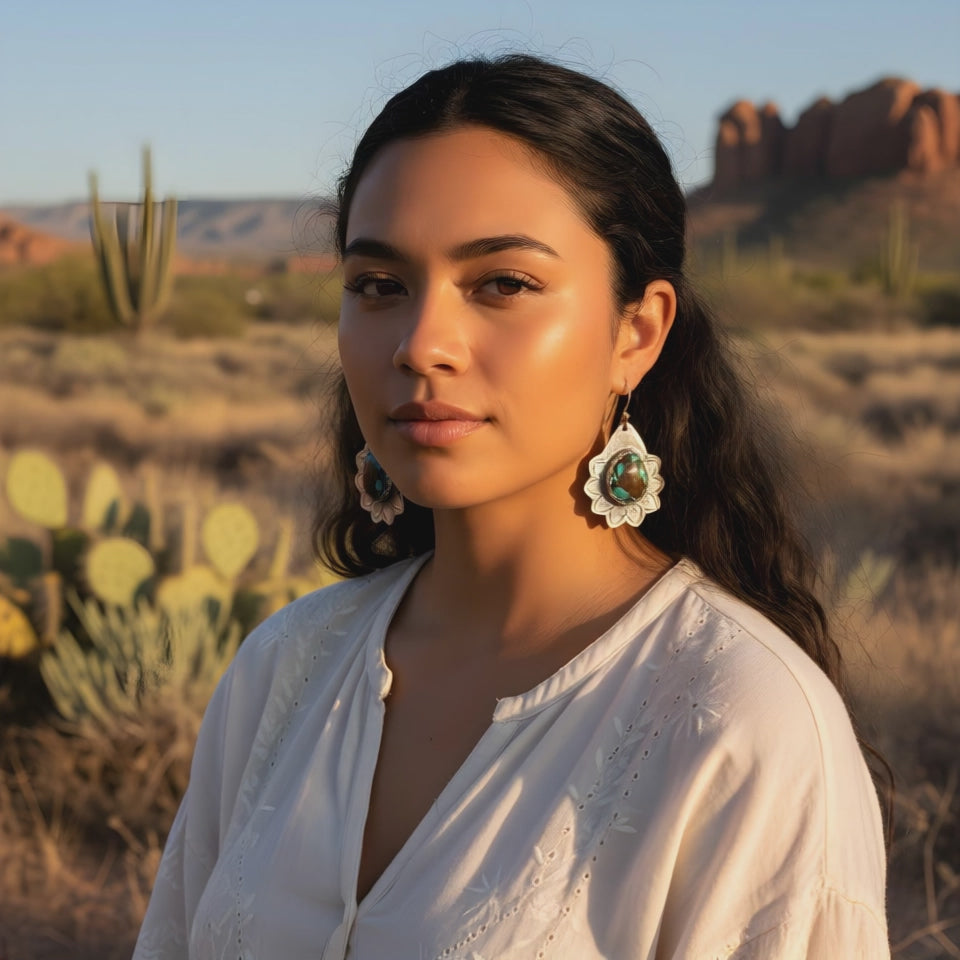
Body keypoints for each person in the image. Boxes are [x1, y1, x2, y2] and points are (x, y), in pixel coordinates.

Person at [133, 54, 890, 959]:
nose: (421, 345)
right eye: (379, 286)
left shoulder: (739, 722)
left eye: (502, 284)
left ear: (636, 333)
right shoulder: (286, 669)